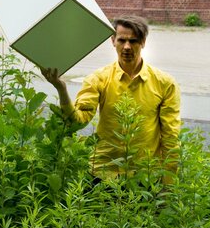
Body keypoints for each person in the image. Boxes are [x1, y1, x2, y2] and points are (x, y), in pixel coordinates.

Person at [40, 15, 181, 181]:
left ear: (143, 42)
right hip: (103, 172)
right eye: (122, 40)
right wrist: (61, 88)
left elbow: (170, 136)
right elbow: (77, 122)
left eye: (133, 41)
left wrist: (169, 183)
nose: (127, 47)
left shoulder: (164, 83)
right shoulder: (98, 79)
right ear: (113, 41)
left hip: (145, 176)